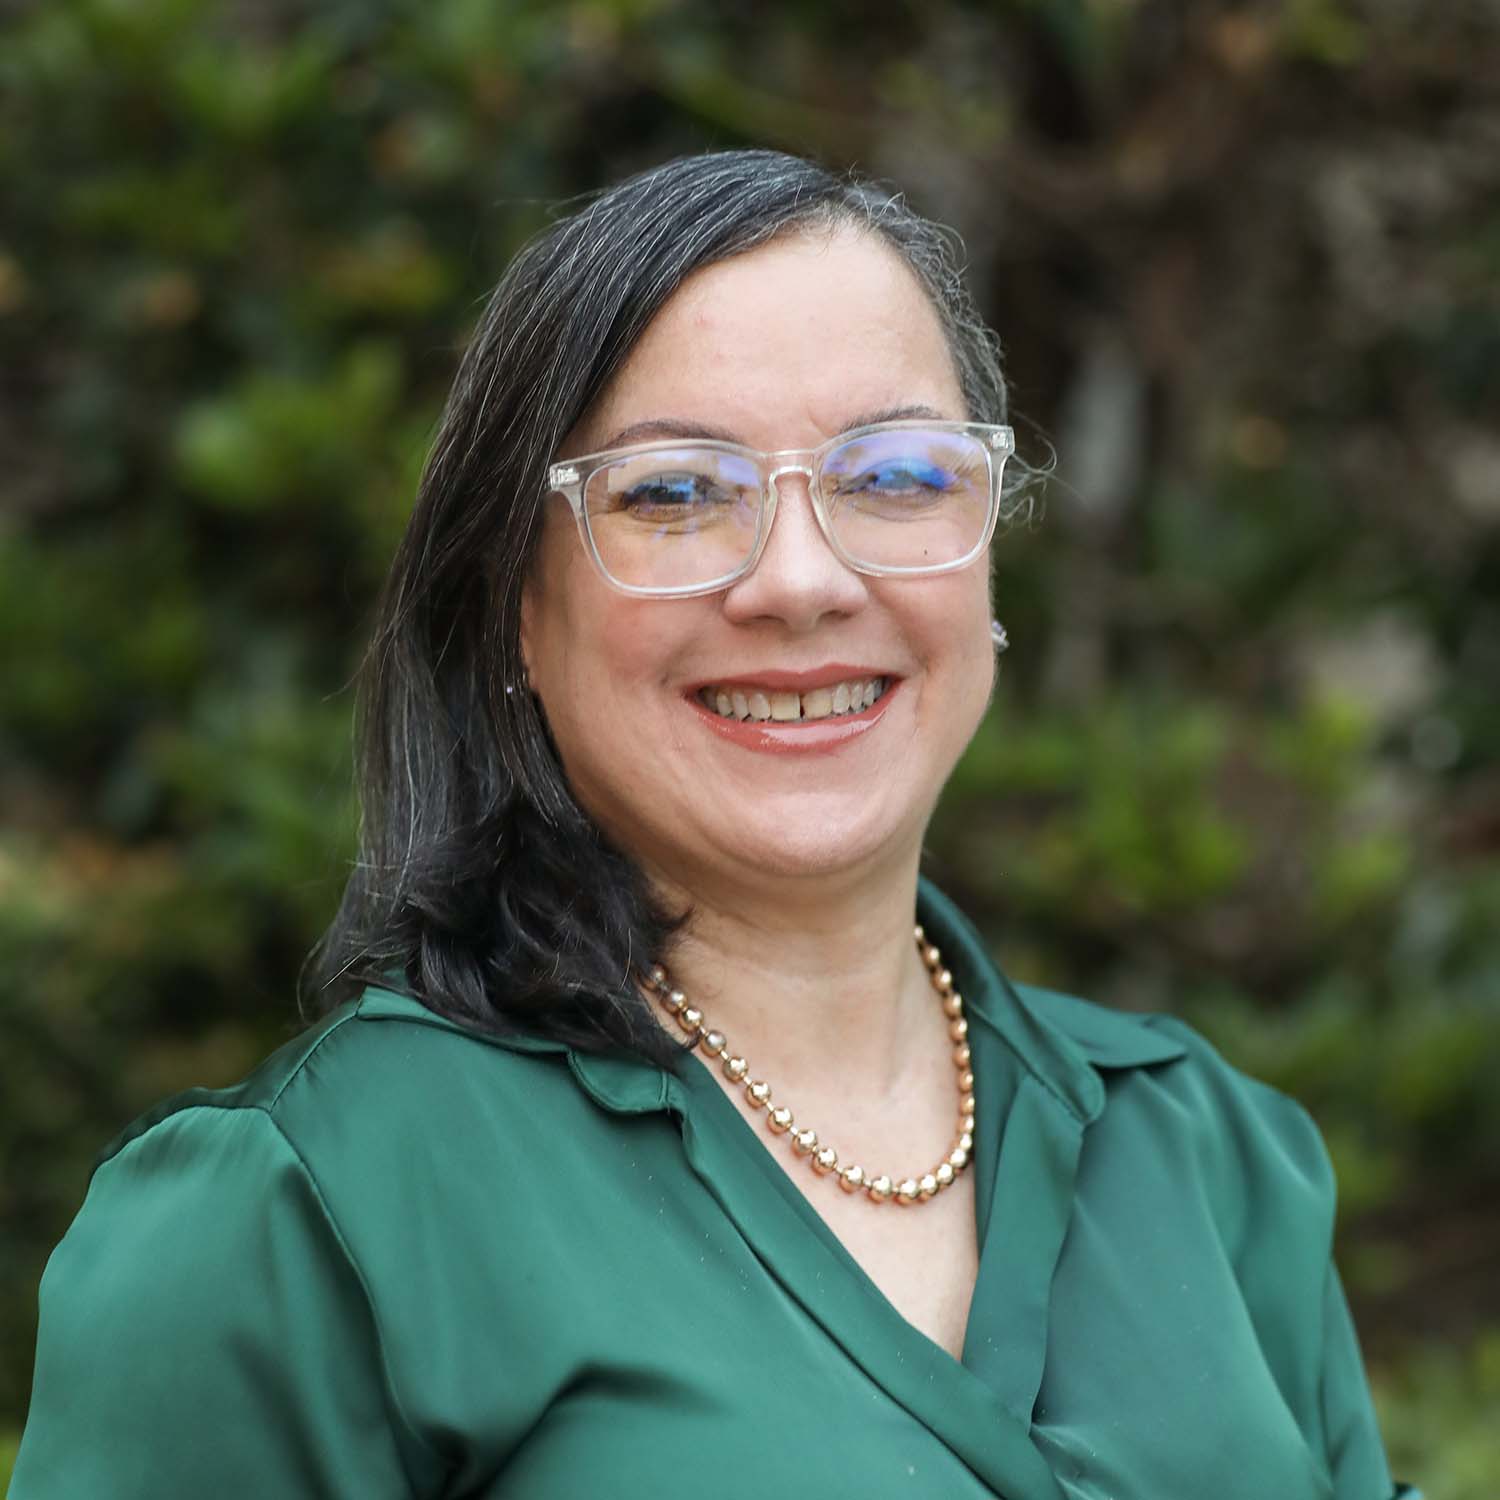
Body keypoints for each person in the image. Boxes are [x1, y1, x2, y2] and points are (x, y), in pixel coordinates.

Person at [11, 150, 1417, 1499]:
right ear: (512, 604)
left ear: (987, 555)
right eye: (675, 495)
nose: (801, 581)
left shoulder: (1203, 1150)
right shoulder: (304, 1217)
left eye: (895, 476)